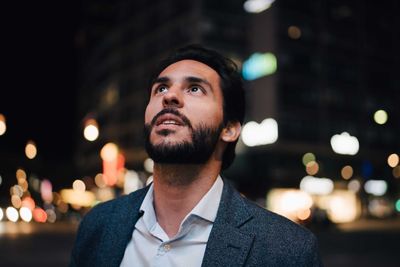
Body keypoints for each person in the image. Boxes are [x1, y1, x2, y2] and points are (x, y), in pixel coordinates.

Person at [70, 45, 323, 267]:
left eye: (194, 88)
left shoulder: (288, 250)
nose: (169, 96)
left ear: (229, 128)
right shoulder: (98, 225)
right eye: (160, 88)